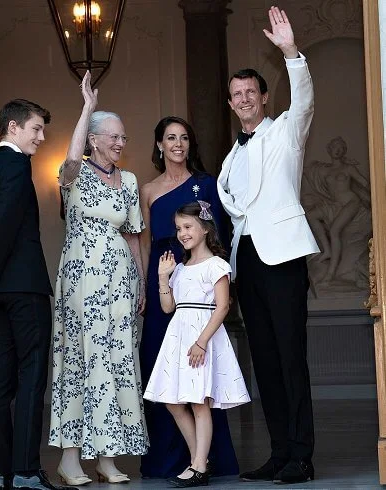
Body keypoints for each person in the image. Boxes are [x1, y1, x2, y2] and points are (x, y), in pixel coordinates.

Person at [217, 7, 319, 484]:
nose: (243, 100)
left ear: (262, 96)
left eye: (249, 92)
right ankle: (280, 453)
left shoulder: (285, 133)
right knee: (265, 361)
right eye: (235, 95)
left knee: (290, 358)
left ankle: (302, 456)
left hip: (282, 257)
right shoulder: (230, 156)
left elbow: (304, 101)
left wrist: (289, 52)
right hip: (248, 263)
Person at [0, 99, 73, 490]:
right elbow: (6, 225)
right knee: (30, 378)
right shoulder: (14, 165)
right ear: (13, 127)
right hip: (23, 288)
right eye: (36, 130)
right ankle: (26, 472)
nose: (42, 138)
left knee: (1, 382)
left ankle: (0, 473)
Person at [49, 71, 148, 486]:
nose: (121, 143)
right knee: (79, 362)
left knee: (116, 363)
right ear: (93, 140)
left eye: (123, 137)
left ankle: (107, 457)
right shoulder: (73, 176)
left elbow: (133, 235)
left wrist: (142, 283)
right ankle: (70, 459)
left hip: (120, 282)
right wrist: (87, 107)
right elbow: (70, 162)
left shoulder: (128, 181)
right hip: (82, 283)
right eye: (113, 137)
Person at [139, 116, 238, 479]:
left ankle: (206, 459)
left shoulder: (206, 184)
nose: (178, 143)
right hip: (164, 276)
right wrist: (149, 284)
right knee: (162, 366)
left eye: (183, 138)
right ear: (160, 145)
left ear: (189, 145)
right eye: (170, 137)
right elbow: (146, 243)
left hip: (200, 277)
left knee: (200, 373)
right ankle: (165, 460)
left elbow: (219, 235)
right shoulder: (147, 190)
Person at [144, 201, 250, 488]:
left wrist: (202, 342)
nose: (182, 233)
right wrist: (162, 277)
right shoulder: (179, 268)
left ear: (205, 229)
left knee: (199, 401)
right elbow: (168, 307)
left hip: (202, 336)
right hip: (178, 336)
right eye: (179, 228)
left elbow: (223, 306)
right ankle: (198, 460)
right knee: (172, 401)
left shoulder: (217, 265)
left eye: (188, 227)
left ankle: (199, 466)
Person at [303, 136, 371, 283]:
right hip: (334, 204)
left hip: (351, 202)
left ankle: (331, 273)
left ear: (344, 151)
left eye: (341, 147)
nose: (337, 150)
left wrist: (373, 197)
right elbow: (309, 171)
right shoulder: (324, 169)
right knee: (311, 215)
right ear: (329, 149)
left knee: (334, 231)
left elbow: (364, 183)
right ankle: (327, 250)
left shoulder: (348, 168)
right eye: (335, 147)